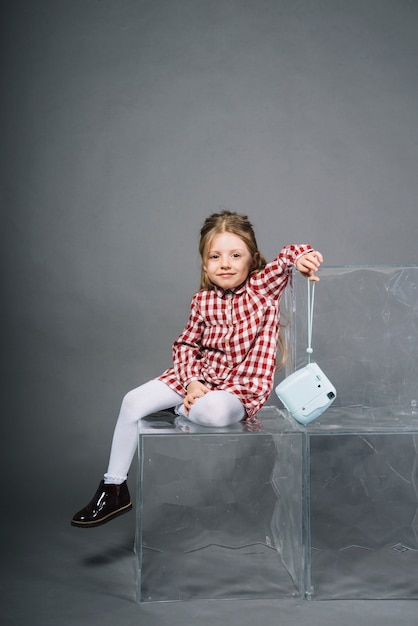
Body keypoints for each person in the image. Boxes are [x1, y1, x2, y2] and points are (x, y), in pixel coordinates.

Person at [71, 211, 323, 528]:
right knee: (132, 402)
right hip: (197, 379)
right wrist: (191, 383)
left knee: (214, 415)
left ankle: (179, 408)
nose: (225, 263)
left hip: (237, 389)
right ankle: (114, 488)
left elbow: (288, 255)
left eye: (235, 255)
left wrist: (303, 257)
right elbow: (186, 345)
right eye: (215, 256)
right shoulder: (202, 301)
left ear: (252, 260)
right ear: (204, 264)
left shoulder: (262, 288)